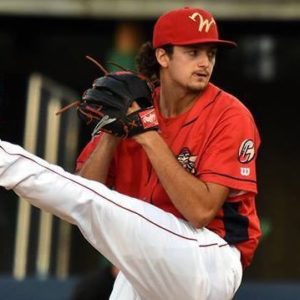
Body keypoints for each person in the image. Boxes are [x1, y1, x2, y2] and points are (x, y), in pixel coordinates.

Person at [0, 6, 261, 300]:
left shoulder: (229, 115)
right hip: (147, 262)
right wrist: (112, 133)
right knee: (91, 205)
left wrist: (146, 133)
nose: (204, 63)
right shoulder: (137, 105)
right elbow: (84, 196)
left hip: (208, 258)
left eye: (210, 53)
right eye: (193, 52)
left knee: (94, 204)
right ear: (163, 56)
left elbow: (200, 213)